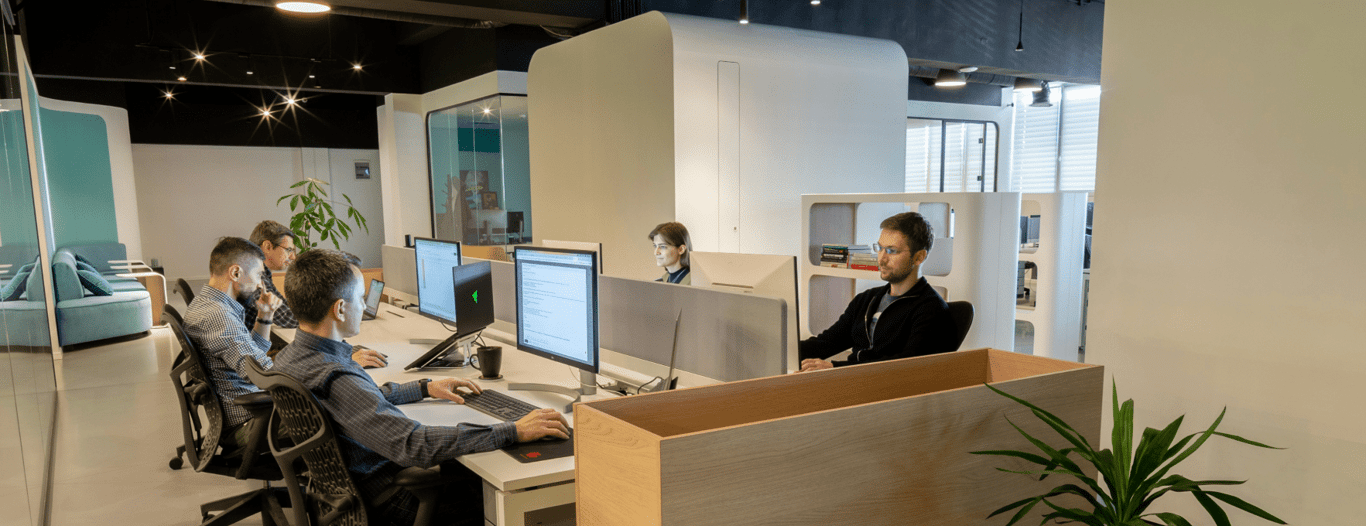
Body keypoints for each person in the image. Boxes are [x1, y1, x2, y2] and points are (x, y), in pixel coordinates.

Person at [273, 249, 570, 526]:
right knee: (515, 489)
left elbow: (357, 402)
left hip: (346, 494)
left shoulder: (291, 357)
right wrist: (513, 430)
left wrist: (424, 388)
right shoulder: (337, 377)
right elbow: (413, 445)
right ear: (339, 309)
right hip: (395, 500)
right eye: (360, 298)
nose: (364, 306)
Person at [797, 212, 955, 372]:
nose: (881, 259)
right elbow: (827, 343)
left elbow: (905, 366)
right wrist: (784, 348)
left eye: (892, 251)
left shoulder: (931, 309)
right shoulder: (866, 299)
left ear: (919, 257)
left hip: (883, 384)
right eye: (880, 248)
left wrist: (835, 368)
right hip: (851, 379)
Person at [183, 237, 285, 450]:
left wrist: (265, 316)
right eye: (258, 275)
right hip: (248, 423)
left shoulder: (207, 304)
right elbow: (261, 373)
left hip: (248, 412)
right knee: (331, 411)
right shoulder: (218, 316)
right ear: (235, 273)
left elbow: (251, 354)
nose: (260, 284)